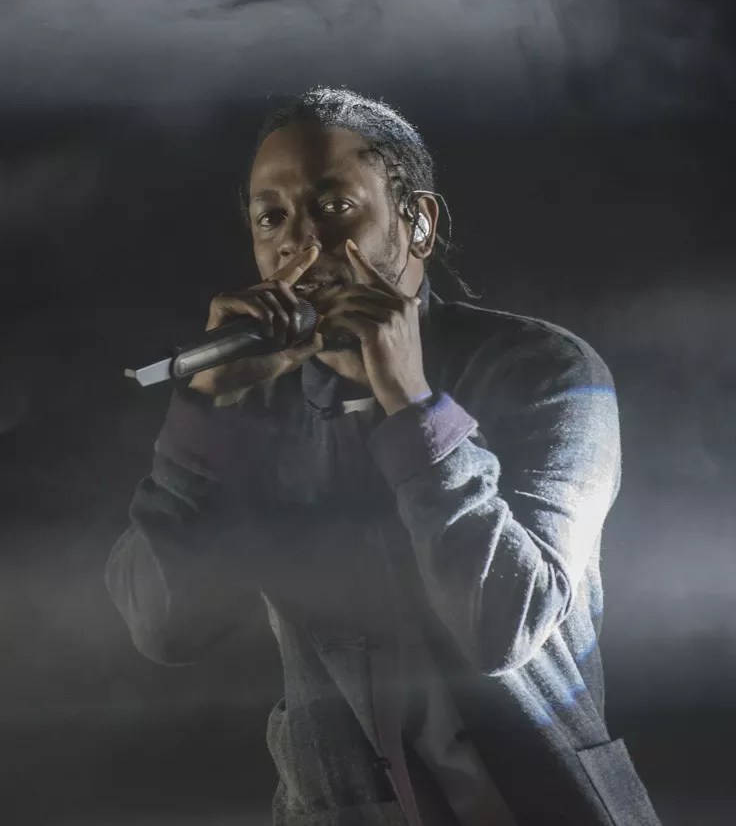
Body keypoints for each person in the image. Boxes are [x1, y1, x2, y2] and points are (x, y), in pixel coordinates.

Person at [105, 87, 661, 826]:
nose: (299, 245)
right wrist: (206, 415)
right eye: (271, 218)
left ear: (418, 222)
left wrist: (411, 403)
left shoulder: (544, 370)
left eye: (334, 207)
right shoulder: (257, 406)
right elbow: (165, 626)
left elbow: (504, 625)